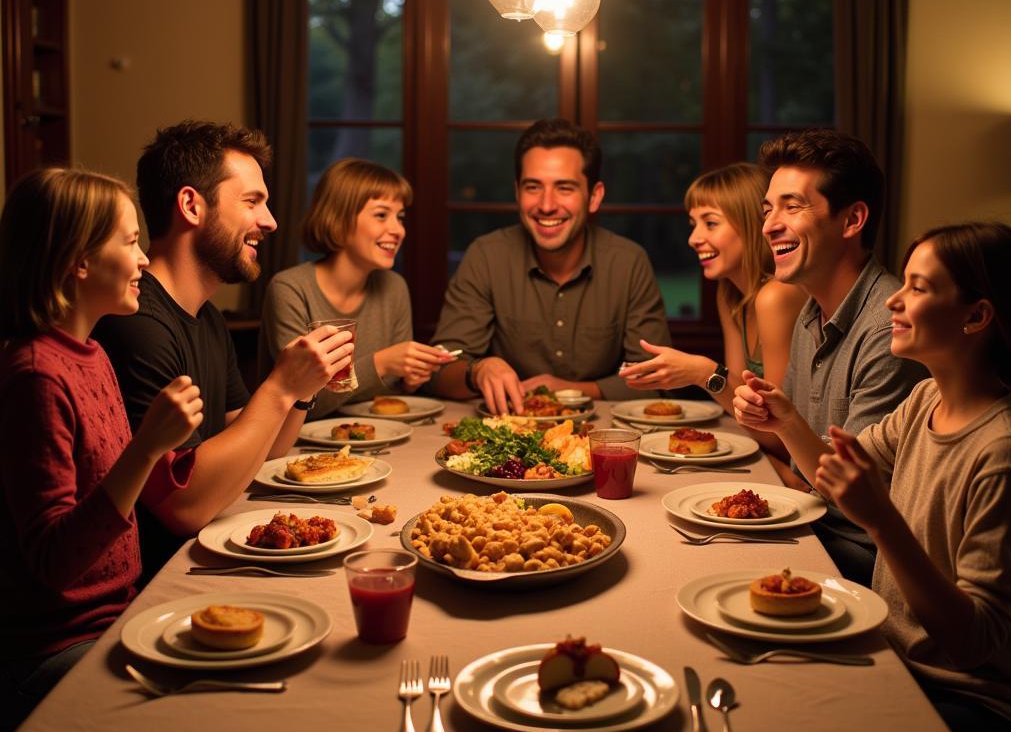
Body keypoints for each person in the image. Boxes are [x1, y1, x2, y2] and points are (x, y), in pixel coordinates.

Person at [748, 222, 1011, 732]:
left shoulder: (1003, 453)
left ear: (976, 317)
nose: (894, 298)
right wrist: (788, 421)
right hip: (894, 658)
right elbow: (835, 476)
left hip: (967, 700)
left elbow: (972, 643)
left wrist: (881, 519)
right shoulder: (925, 399)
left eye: (919, 288)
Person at [93, 120, 352, 578]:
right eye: (252, 201)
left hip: (211, 552)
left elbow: (262, 452)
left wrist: (301, 391)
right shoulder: (136, 324)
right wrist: (278, 387)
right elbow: (184, 507)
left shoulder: (209, 317)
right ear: (191, 205)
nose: (270, 221)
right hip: (159, 581)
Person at [0, 168, 203, 732]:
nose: (143, 260)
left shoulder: (89, 353)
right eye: (131, 240)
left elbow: (116, 474)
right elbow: (54, 560)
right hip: (52, 649)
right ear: (79, 260)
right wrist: (146, 448)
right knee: (199, 725)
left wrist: (173, 455)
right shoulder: (35, 375)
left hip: (122, 615)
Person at [733, 129, 927, 585]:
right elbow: (803, 462)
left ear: (852, 219)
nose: (768, 225)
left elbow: (855, 498)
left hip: (860, 559)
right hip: (811, 526)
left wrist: (784, 423)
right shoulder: (808, 314)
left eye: (792, 206)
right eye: (767, 210)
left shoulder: (888, 328)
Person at [429, 118, 671, 414]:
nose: (546, 205)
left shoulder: (628, 262)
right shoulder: (486, 256)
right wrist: (477, 370)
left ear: (594, 197)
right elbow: (438, 372)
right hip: (507, 436)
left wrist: (566, 390)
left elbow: (655, 378)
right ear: (517, 192)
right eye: (533, 187)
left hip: (600, 440)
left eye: (564, 188)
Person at [258, 158, 454, 417]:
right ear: (339, 218)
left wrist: (410, 378)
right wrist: (381, 364)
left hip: (376, 439)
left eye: (401, 217)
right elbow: (301, 403)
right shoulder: (290, 290)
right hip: (298, 448)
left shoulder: (394, 288)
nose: (398, 230)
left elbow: (392, 399)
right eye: (381, 215)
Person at [619, 162, 805, 410]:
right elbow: (741, 402)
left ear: (752, 224)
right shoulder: (728, 292)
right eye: (693, 224)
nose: (693, 239)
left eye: (711, 223)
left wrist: (703, 372)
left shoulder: (776, 296)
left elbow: (776, 427)